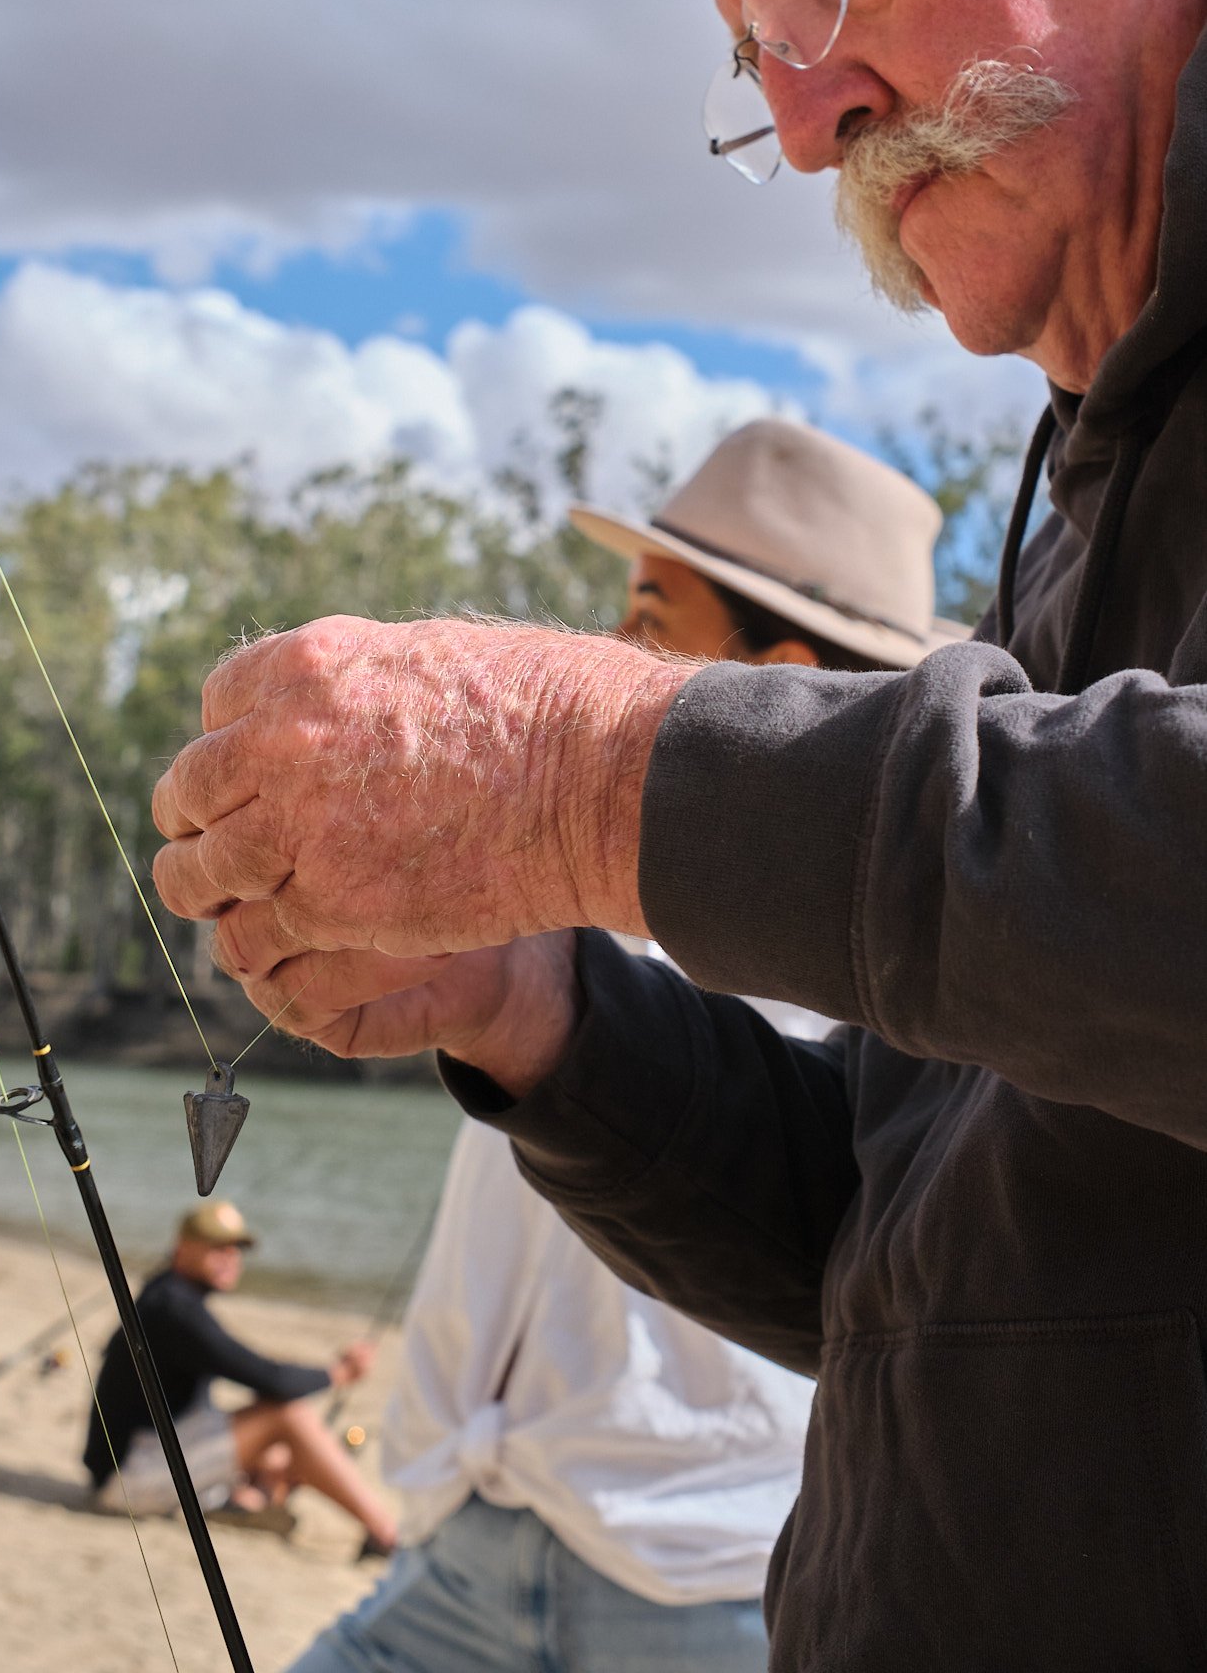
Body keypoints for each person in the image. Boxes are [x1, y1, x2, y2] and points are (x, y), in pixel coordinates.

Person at [150, 0, 1207, 1663]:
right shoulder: (1075, 499)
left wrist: (590, 778)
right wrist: (535, 1004)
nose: (808, 127)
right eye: (753, 53)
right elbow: (896, 1258)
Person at [285, 421, 952, 1673]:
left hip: (703, 1590)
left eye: (649, 613)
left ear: (780, 673)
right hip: (463, 1542)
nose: (604, 644)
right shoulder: (570, 914)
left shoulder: (897, 994)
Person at [84, 1199, 398, 1552]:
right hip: (126, 1480)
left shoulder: (167, 1293)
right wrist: (339, 1373)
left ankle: (249, 1502)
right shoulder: (173, 1310)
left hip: (144, 1459)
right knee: (286, 1414)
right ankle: (386, 1533)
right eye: (217, 1247)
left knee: (280, 1452)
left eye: (236, 1249)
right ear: (183, 1247)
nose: (230, 1257)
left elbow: (259, 1377)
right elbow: (270, 1378)